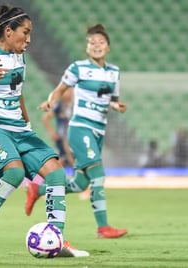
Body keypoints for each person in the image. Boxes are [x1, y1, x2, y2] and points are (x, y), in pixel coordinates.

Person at [0, 4, 89, 257]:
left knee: (56, 174)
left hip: (19, 128)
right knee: (15, 173)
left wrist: (27, 124)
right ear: (8, 31)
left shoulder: (19, 57)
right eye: (25, 33)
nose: (29, 40)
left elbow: (18, 94)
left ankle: (56, 239)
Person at [27, 24, 128, 239]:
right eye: (92, 42)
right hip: (80, 127)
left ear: (108, 47)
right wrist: (50, 101)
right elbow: (60, 89)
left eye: (101, 42)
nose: (96, 46)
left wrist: (116, 106)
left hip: (99, 131)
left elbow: (112, 99)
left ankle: (39, 190)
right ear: (87, 47)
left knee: (80, 183)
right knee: (98, 176)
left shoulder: (114, 72)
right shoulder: (78, 68)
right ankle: (103, 228)